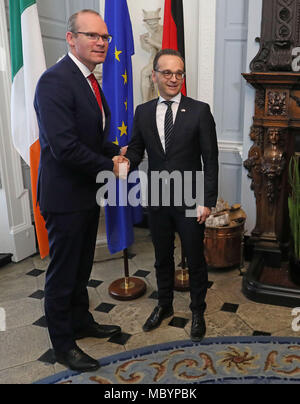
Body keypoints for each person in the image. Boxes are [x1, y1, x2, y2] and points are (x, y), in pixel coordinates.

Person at [34, 9, 128, 372]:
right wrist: (112, 166)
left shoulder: (89, 80)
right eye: (93, 36)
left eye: (105, 37)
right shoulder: (55, 81)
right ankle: (63, 344)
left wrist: (114, 151)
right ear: (71, 38)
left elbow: (94, 137)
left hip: (87, 194)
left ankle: (81, 321)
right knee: (63, 273)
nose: (102, 43)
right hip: (64, 198)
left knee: (81, 266)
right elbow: (64, 147)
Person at [125, 49, 219, 342]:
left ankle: (197, 311)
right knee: (161, 257)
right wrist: (123, 161)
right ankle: (164, 305)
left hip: (191, 200)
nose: (174, 78)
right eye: (167, 72)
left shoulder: (200, 110)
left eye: (179, 73)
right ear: (154, 76)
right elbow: (137, 150)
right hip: (158, 200)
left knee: (194, 259)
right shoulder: (142, 112)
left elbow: (210, 159)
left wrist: (207, 200)